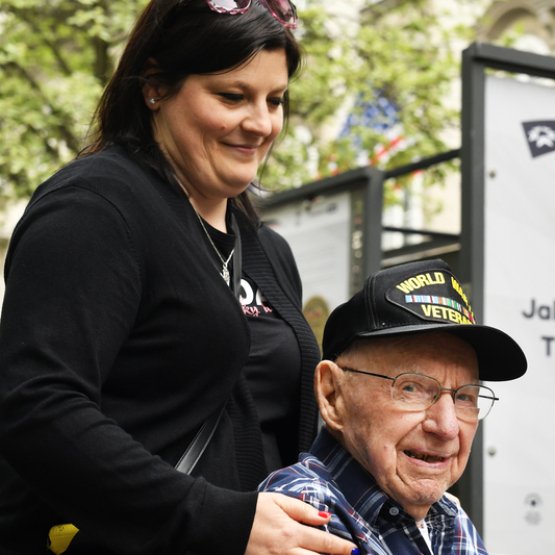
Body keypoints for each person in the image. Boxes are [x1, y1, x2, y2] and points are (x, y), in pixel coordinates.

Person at [0, 1, 357, 554]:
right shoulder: (96, 208)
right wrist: (219, 519)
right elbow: (37, 408)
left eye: (275, 100)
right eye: (232, 96)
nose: (261, 123)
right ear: (155, 88)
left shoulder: (267, 248)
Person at [259, 259, 528, 554]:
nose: (448, 427)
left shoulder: (448, 516)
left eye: (465, 397)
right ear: (333, 395)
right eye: (411, 388)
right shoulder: (304, 511)